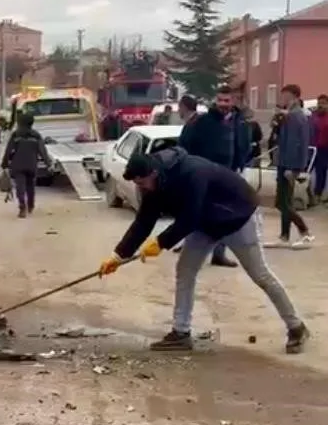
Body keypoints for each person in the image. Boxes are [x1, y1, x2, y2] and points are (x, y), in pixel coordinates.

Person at [98, 146, 309, 354]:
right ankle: (181, 333)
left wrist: (161, 242)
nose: (141, 188)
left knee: (260, 275)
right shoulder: (153, 184)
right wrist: (118, 256)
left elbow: (190, 217)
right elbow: (143, 221)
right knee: (185, 271)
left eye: (142, 183)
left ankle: (296, 327)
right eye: (137, 184)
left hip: (238, 218)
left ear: (153, 173)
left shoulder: (192, 173)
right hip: (206, 223)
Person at [175, 85, 250, 268]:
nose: (223, 104)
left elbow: (244, 143)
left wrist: (241, 163)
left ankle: (219, 254)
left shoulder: (239, 121)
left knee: (225, 214)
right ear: (215, 101)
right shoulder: (203, 122)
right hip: (206, 175)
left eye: (227, 100)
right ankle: (192, 253)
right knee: (200, 212)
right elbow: (186, 146)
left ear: (233, 101)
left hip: (230, 175)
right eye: (220, 100)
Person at [275, 84, 314, 247]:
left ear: (294, 97)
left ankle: (305, 232)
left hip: (290, 165)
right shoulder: (288, 115)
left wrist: (296, 168)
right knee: (284, 201)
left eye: (285, 96)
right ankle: (284, 236)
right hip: (283, 162)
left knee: (283, 202)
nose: (282, 99)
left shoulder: (298, 116)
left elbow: (301, 144)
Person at [0, 111, 50, 218]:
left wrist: (4, 163)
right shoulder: (36, 135)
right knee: (30, 186)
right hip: (31, 164)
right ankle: (31, 205)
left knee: (20, 187)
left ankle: (22, 206)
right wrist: (48, 163)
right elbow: (42, 151)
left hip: (18, 165)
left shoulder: (16, 135)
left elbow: (8, 150)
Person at [309, 94, 328, 203]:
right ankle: (308, 193)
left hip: (325, 149)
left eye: (324, 103)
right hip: (312, 148)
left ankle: (318, 193)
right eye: (319, 103)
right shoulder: (313, 116)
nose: (321, 105)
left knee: (321, 171)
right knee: (307, 171)